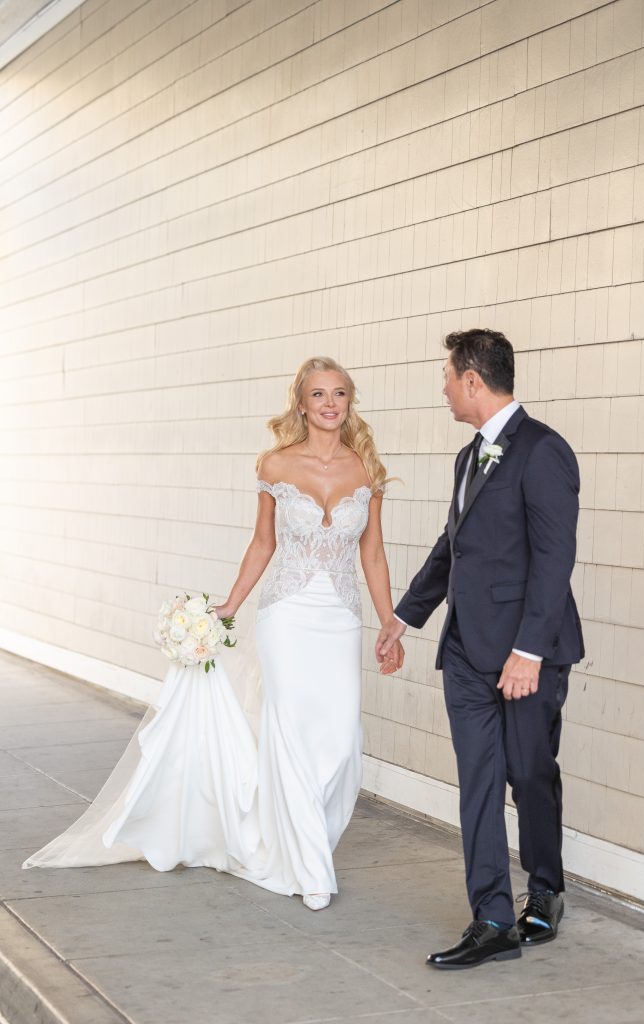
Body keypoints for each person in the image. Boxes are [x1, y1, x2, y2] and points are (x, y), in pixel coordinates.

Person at [24, 357, 404, 912]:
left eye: (339, 394)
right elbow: (262, 544)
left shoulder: (365, 467)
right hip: (287, 617)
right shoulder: (275, 465)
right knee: (292, 733)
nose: (329, 403)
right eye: (318, 394)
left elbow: (372, 552)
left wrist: (388, 619)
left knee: (341, 739)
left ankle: (306, 842)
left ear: (350, 402)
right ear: (300, 403)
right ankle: (310, 869)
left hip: (341, 617)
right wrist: (229, 604)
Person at [377, 329, 583, 967]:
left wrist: (529, 650)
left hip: (526, 655)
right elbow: (453, 549)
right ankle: (492, 918)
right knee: (479, 781)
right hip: (466, 652)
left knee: (530, 776)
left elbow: (554, 560)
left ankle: (544, 890)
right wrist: (404, 618)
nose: (442, 387)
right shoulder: (468, 458)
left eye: (446, 376)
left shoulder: (544, 451)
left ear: (472, 379)